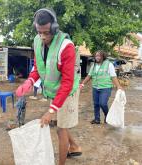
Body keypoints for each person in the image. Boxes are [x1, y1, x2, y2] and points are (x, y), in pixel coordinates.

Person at [16, 8, 82, 165]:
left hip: (68, 91)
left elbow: (67, 83)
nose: (43, 36)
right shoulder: (37, 41)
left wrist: (51, 110)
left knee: (60, 129)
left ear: (54, 28)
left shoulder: (66, 47)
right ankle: (74, 146)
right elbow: (39, 68)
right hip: (55, 91)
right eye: (40, 32)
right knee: (62, 123)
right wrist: (29, 82)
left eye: (46, 32)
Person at [80, 50, 123, 124]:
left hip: (105, 88)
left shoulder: (109, 64)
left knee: (102, 103)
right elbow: (89, 76)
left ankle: (107, 116)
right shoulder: (93, 65)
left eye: (99, 56)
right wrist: (82, 84)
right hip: (95, 87)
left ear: (103, 56)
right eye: (96, 56)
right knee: (96, 104)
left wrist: (118, 86)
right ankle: (97, 119)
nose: (97, 57)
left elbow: (113, 76)